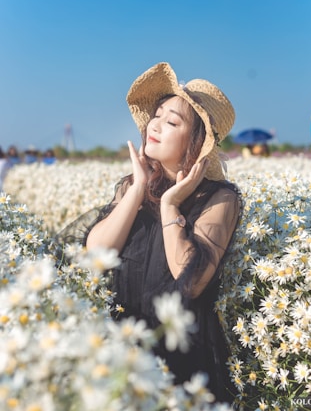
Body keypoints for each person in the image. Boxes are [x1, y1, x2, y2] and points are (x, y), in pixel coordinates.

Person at [59, 62, 242, 404]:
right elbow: (95, 253)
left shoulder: (219, 198)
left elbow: (191, 279)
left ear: (196, 142)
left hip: (177, 355)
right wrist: (139, 186)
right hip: (120, 339)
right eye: (157, 115)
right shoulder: (134, 186)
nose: (155, 125)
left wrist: (171, 205)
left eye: (172, 121)